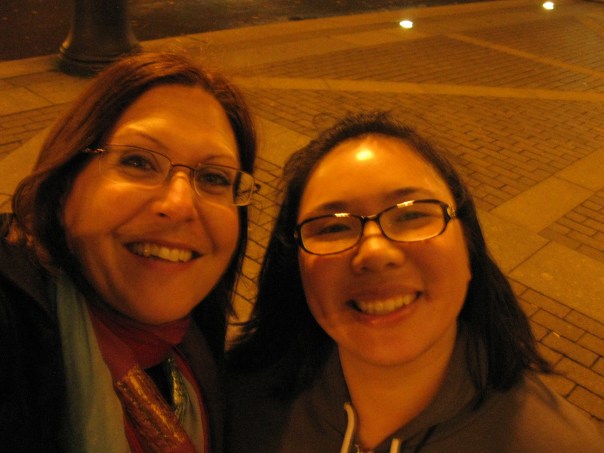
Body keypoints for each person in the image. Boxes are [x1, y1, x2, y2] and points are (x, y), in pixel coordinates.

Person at [226, 111, 603, 452]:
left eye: (411, 215)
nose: (375, 252)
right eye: (333, 228)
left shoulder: (557, 443)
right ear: (296, 265)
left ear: (468, 245)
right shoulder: (232, 408)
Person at [0, 51, 257, 453]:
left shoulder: (195, 333)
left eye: (213, 177)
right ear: (65, 184)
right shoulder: (13, 328)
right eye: (138, 161)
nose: (180, 204)